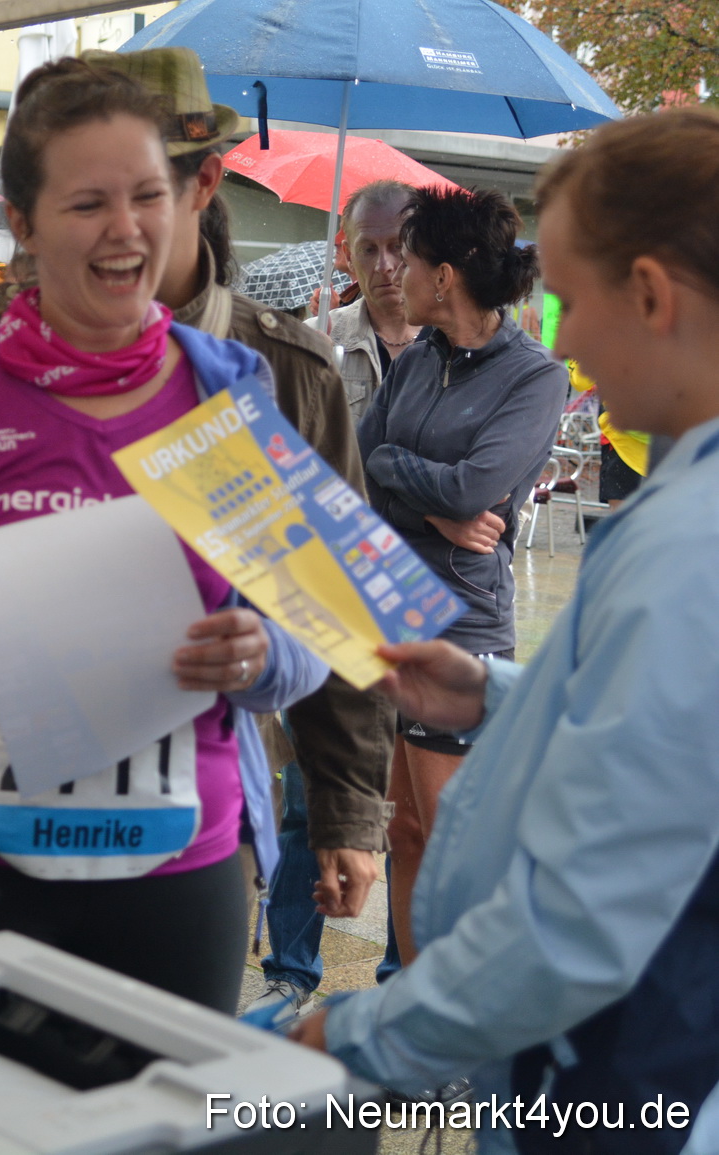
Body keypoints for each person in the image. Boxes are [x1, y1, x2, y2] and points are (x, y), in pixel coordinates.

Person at [0, 59, 326, 1013]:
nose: (126, 227)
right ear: (25, 223)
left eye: (148, 195)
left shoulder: (227, 393)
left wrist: (261, 653)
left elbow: (309, 645)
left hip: (178, 884)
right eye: (88, 202)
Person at [295, 108, 719, 1155]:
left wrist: (358, 1037)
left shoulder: (689, 550)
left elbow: (575, 923)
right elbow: (671, 743)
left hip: (613, 1085)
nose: (563, 339)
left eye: (573, 301)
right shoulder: (685, 510)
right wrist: (497, 692)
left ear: (653, 296)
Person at [90, 45, 397, 1011]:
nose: (107, 225)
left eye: (138, 189)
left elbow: (334, 603)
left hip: (199, 811)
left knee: (172, 1085)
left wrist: (348, 809)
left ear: (203, 182)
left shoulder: (286, 375)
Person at [358, 186, 567, 964]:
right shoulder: (418, 358)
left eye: (406, 262)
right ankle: (406, 1009)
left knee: (451, 842)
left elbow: (477, 492)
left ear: (443, 277)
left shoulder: (534, 377)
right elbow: (361, 456)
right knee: (404, 831)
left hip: (462, 626)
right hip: (385, 604)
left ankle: (450, 1037)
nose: (394, 275)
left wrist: (413, 483)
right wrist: (433, 504)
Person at [326, 180, 419, 421]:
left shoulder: (456, 343)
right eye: (368, 250)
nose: (384, 266)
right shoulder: (320, 339)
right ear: (348, 255)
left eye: (397, 246)